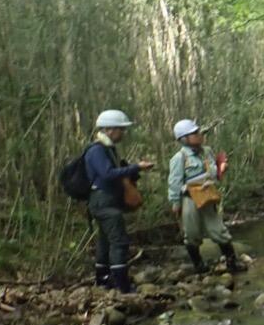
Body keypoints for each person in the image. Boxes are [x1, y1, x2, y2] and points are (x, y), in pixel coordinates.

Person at [85, 110, 155, 293]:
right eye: (120, 129)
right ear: (109, 130)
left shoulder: (108, 150)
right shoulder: (97, 150)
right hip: (102, 201)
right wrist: (135, 167)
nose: (123, 133)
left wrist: (133, 171)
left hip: (107, 201)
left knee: (106, 240)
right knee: (119, 241)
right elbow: (107, 174)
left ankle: (103, 279)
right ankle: (122, 285)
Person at [167, 119, 239, 274]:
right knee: (192, 234)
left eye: (198, 132)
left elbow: (213, 173)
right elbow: (174, 183)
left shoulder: (207, 151)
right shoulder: (179, 158)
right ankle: (199, 266)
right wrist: (175, 203)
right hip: (189, 199)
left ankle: (232, 262)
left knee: (218, 230)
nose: (199, 135)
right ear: (184, 139)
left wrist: (221, 170)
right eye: (194, 133)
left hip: (207, 195)